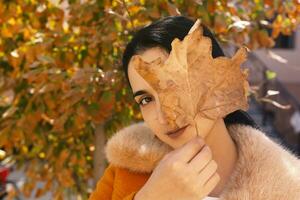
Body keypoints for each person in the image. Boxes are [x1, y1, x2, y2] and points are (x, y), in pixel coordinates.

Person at [89, 16, 300, 200]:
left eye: (174, 85)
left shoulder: (290, 187)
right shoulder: (127, 170)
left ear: (219, 82)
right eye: (146, 100)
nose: (164, 115)